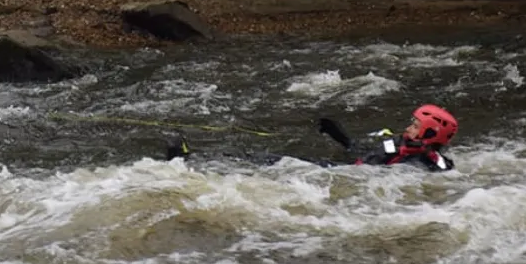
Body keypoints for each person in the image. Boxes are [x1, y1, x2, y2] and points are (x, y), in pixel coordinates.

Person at [166, 104, 459, 172]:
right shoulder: (399, 143)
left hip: (339, 176)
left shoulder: (427, 161)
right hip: (339, 170)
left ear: (431, 134)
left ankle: (188, 162)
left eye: (416, 125)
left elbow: (441, 168)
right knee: (264, 159)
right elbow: (361, 149)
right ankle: (189, 158)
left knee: (272, 164)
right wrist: (337, 133)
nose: (409, 126)